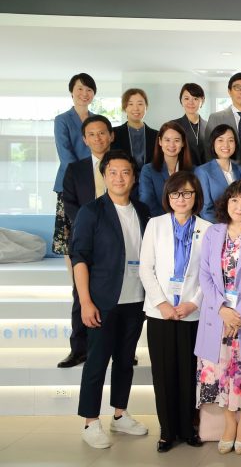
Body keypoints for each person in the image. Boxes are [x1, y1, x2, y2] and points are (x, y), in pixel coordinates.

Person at [69, 150, 151, 449]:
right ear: (104, 176)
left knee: (125, 361)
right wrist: (85, 302)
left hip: (136, 299)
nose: (119, 178)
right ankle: (90, 422)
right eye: (113, 172)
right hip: (102, 301)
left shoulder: (143, 211)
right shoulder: (92, 211)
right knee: (97, 362)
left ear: (134, 177)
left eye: (125, 172)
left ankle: (120, 414)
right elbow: (79, 258)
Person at [139, 171, 212, 452]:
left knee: (189, 373)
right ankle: (167, 431)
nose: (181, 199)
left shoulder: (208, 229)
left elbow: (210, 274)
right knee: (164, 374)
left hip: (192, 313)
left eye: (187, 193)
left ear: (196, 196)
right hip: (161, 313)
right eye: (175, 194)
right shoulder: (155, 225)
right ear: (168, 197)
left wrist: (194, 302)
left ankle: (188, 428)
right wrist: (162, 303)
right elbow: (146, 269)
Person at [195, 180, 241, 456]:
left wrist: (238, 315)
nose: (239, 206)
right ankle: (228, 423)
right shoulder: (213, 232)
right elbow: (204, 274)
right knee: (221, 371)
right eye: (234, 200)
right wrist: (222, 309)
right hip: (217, 316)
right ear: (226, 204)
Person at [58, 114, 113, 369]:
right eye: (91, 134)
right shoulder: (75, 169)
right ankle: (78, 349)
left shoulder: (124, 165)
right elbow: (69, 204)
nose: (97, 138)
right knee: (81, 293)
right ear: (84, 139)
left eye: (102, 133)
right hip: (85, 239)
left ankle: (119, 349)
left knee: (118, 295)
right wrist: (92, 226)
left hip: (117, 240)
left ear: (111, 136)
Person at [52, 73, 96, 263]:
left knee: (92, 233)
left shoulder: (97, 120)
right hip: (69, 183)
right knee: (69, 236)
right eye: (80, 89)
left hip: (96, 183)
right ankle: (74, 280)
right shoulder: (62, 119)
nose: (84, 93)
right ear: (72, 91)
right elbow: (66, 155)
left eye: (89, 90)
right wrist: (85, 176)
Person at [139, 121, 194, 217]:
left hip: (188, 221)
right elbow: (147, 201)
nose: (172, 145)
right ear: (160, 141)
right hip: (159, 221)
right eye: (167, 140)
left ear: (183, 143)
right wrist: (172, 219)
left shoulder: (194, 171)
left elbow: (197, 201)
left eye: (176, 140)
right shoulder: (148, 170)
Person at [195, 124, 241, 222]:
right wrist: (227, 227)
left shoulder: (240, 169)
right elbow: (205, 211)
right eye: (220, 140)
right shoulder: (203, 171)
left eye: (230, 140)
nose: (226, 145)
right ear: (213, 143)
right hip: (216, 227)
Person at [112, 88, 158, 169]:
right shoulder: (114, 133)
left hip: (150, 176)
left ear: (146, 107)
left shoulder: (156, 135)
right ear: (124, 107)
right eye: (130, 104)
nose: (136, 108)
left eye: (140, 104)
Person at [174, 83, 207, 166]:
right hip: (182, 171)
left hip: (206, 172)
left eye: (195, 98)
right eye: (186, 98)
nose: (191, 102)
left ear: (202, 101)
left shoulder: (209, 126)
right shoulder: (173, 126)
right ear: (181, 100)